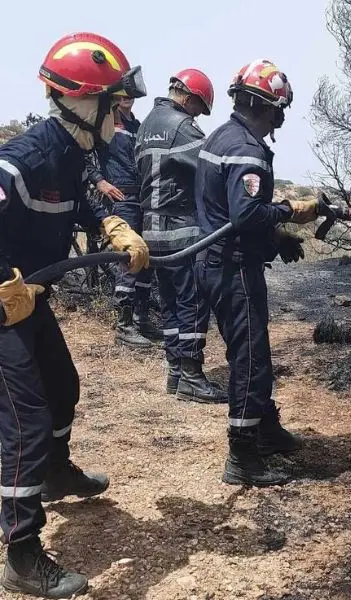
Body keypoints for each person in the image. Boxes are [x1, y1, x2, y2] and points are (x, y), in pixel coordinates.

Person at [0, 32, 149, 598]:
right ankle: (21, 556)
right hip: (3, 306)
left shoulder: (75, 152)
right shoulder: (24, 159)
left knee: (63, 386)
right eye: (115, 101)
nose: (123, 111)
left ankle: (56, 473)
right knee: (26, 423)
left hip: (27, 300)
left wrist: (112, 225)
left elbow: (84, 199)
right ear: (83, 105)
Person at [195, 60, 316, 486]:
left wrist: (276, 240)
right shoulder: (246, 149)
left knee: (250, 352)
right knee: (250, 360)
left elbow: (224, 212)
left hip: (214, 262)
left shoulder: (223, 136)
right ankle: (243, 457)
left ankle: (266, 430)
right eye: (281, 108)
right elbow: (244, 215)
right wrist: (288, 212)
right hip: (233, 269)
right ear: (273, 108)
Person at [135, 69, 225, 403]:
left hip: (152, 232)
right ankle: (191, 375)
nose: (198, 115)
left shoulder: (145, 126)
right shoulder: (181, 126)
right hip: (181, 232)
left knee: (171, 304)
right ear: (189, 98)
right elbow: (213, 169)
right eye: (199, 108)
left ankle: (174, 371)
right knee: (193, 302)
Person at [86, 96, 158, 347]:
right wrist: (99, 181)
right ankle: (124, 325)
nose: (127, 97)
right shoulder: (104, 124)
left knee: (146, 258)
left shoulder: (138, 127)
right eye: (121, 93)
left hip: (143, 198)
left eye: (131, 93)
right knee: (129, 257)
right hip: (121, 198)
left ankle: (141, 318)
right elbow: (83, 154)